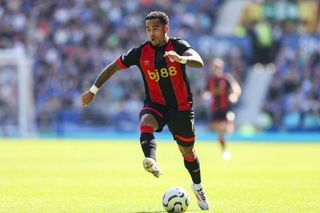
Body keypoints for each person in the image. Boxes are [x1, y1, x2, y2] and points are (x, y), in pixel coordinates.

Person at [80, 11, 209, 210]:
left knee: (188, 152)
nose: (151, 33)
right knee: (146, 121)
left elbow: (198, 61)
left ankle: (198, 186)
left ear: (166, 28)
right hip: (155, 104)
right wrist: (92, 91)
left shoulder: (178, 45)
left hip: (181, 108)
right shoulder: (140, 52)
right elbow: (113, 67)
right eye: (148, 29)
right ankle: (151, 159)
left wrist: (180, 59)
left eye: (155, 29)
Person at [204, 58, 241, 160]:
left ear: (222, 67)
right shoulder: (210, 80)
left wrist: (234, 95)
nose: (217, 69)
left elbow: (236, 88)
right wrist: (206, 96)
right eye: (215, 67)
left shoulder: (226, 78)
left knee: (225, 127)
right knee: (219, 132)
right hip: (215, 109)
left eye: (219, 67)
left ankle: (230, 123)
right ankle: (224, 150)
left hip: (226, 108)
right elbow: (206, 91)